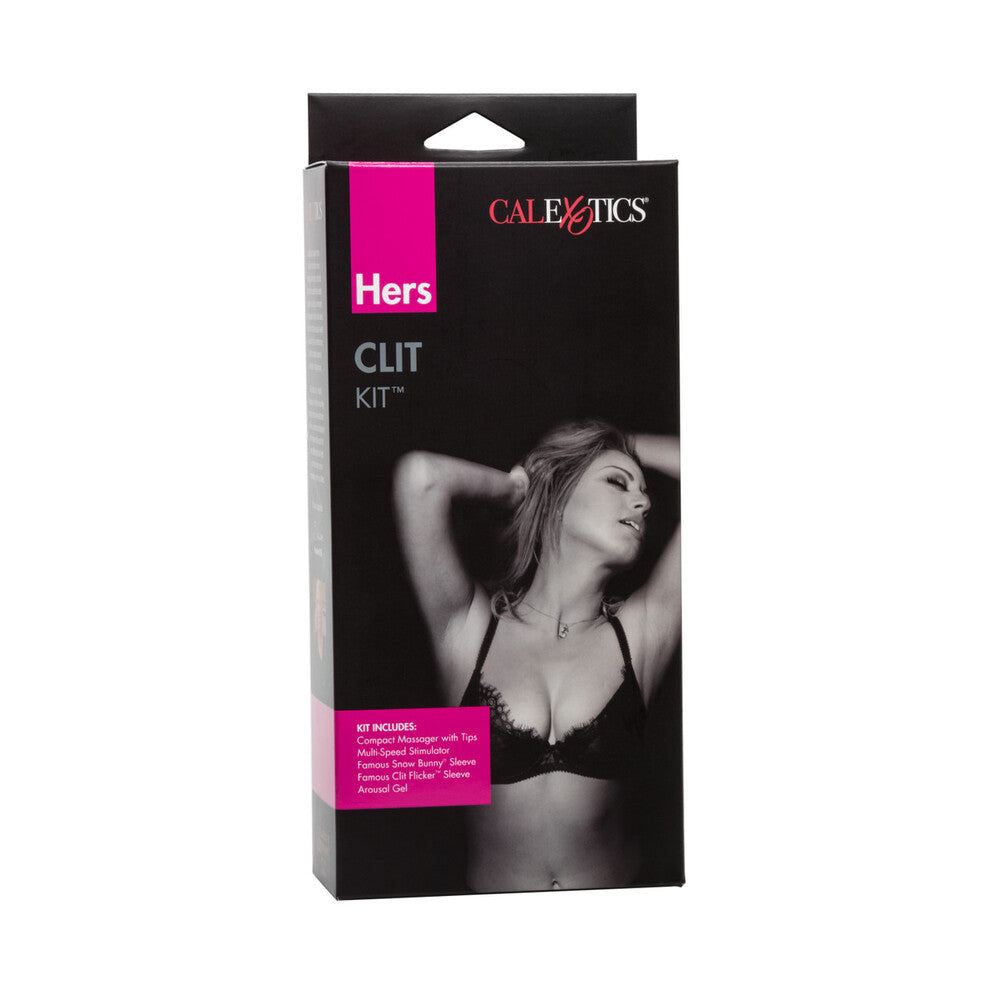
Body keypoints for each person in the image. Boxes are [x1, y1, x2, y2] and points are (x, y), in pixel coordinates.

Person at [393, 420, 680, 892]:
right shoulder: (467, 630)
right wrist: (517, 488)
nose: (643, 502)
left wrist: (622, 445)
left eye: (645, 491)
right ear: (558, 495)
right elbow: (421, 477)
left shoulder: (643, 633)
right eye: (618, 482)